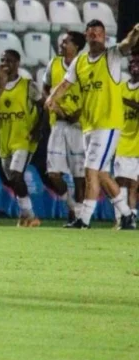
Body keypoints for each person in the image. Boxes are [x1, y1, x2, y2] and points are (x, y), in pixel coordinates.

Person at [46, 20, 139, 229]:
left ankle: (84, 219)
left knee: (90, 170)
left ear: (105, 36)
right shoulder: (80, 61)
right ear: (86, 36)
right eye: (91, 33)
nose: (95, 36)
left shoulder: (112, 55)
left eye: (99, 33)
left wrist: (135, 31)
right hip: (88, 126)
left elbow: (127, 43)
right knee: (102, 174)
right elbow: (65, 84)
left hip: (108, 124)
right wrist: (52, 97)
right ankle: (126, 215)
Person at [0, 50, 44, 227]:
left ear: (18, 63)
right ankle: (25, 215)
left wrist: (38, 129)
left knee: (16, 175)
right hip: (5, 140)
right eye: (2, 60)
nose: (5, 64)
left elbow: (44, 107)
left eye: (9, 61)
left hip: (24, 139)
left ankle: (31, 215)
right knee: (12, 178)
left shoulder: (28, 86)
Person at [42, 31, 85, 219]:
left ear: (76, 46)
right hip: (58, 124)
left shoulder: (84, 64)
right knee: (53, 173)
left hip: (79, 126)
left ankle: (79, 215)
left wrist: (79, 113)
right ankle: (71, 205)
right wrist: (52, 103)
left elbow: (92, 94)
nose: (61, 45)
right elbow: (45, 88)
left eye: (66, 42)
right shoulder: (54, 63)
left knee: (79, 174)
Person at [117, 50, 139, 228]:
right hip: (122, 141)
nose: (134, 66)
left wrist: (125, 101)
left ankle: (131, 217)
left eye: (137, 63)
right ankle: (121, 218)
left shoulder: (124, 95)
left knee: (134, 184)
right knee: (120, 181)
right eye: (132, 63)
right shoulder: (122, 88)